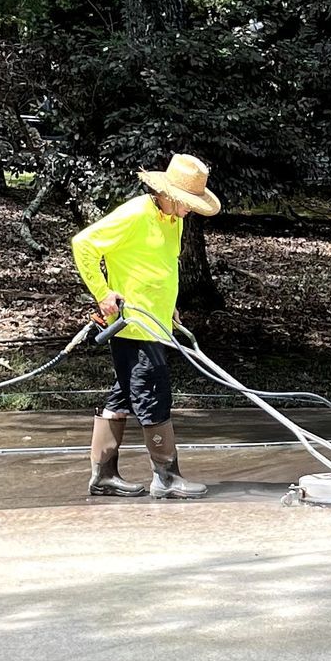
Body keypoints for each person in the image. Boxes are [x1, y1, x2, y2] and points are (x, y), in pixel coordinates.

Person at [70, 153, 221, 500]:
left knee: (123, 394)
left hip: (155, 323)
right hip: (132, 324)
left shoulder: (174, 220)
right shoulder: (136, 213)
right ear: (167, 194)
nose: (190, 209)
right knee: (153, 394)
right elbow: (84, 244)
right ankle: (166, 477)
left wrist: (170, 310)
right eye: (186, 202)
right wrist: (103, 293)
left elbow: (160, 269)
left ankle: (102, 476)